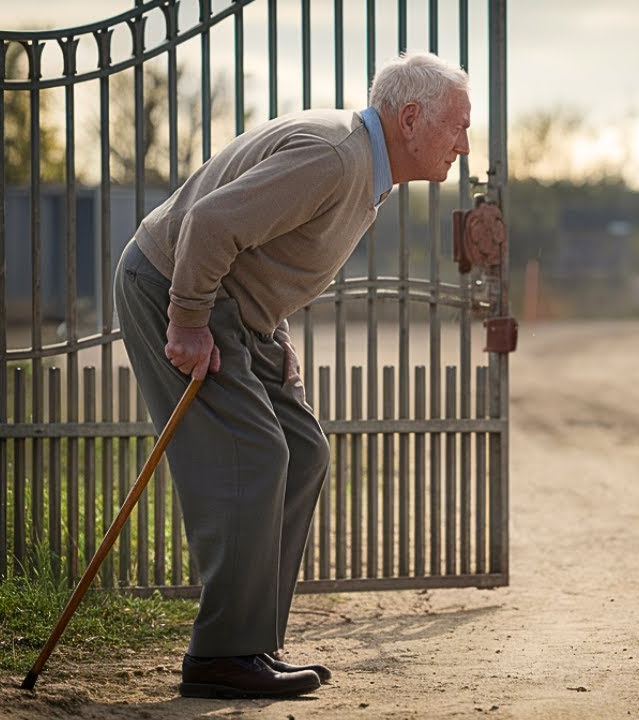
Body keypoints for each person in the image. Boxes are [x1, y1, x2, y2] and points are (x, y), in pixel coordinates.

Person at [112, 52, 471, 699]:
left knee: (302, 452)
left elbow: (264, 252)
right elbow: (210, 224)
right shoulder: (335, 157)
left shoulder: (365, 166)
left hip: (233, 305)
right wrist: (188, 320)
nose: (464, 145)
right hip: (175, 283)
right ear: (411, 118)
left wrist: (273, 336)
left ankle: (252, 642)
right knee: (255, 453)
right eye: (458, 126)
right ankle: (221, 656)